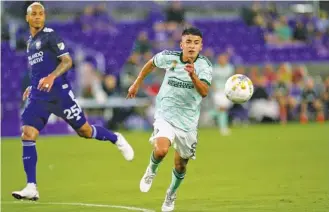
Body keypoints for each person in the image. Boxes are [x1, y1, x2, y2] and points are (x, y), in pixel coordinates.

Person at [12, 2, 134, 201]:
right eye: (33, 14)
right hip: (39, 97)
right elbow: (38, 70)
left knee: (84, 131)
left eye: (41, 14)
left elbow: (67, 61)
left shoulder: (50, 35)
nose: (37, 17)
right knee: (27, 134)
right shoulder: (30, 42)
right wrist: (31, 86)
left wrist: (51, 77)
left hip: (60, 94)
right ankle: (31, 186)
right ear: (27, 18)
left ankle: (116, 138)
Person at [127, 27, 213, 212]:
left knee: (181, 165)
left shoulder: (204, 66)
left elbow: (204, 92)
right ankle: (151, 170)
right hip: (165, 113)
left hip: (188, 122)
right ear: (181, 44)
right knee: (160, 150)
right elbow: (151, 63)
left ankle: (171, 194)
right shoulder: (169, 57)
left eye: (196, 43)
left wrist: (193, 75)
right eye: (188, 42)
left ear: (201, 46)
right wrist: (136, 83)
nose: (191, 46)